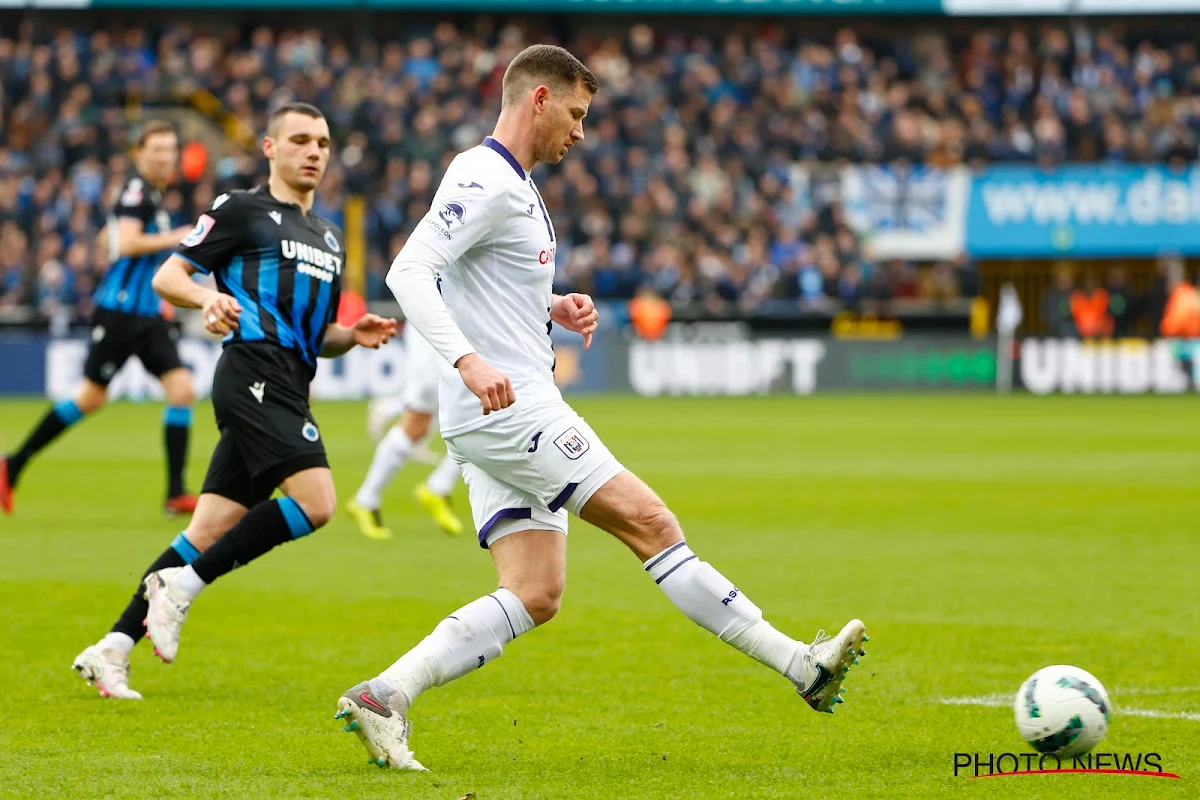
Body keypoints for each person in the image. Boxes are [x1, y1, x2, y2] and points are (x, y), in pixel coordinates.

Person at [332, 45, 868, 771]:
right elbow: (409, 270)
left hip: (494, 410)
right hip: (510, 407)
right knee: (652, 523)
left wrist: (551, 304)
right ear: (540, 99)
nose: (580, 134)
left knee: (535, 590)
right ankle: (801, 667)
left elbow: (479, 279)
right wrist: (468, 359)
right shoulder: (485, 175)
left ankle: (385, 695)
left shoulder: (514, 185)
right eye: (577, 115)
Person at [73, 102, 398, 699]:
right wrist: (208, 300)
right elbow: (168, 277)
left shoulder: (327, 237)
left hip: (289, 380)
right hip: (252, 373)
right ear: (270, 148)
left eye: (322, 143)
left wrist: (351, 336)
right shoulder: (240, 209)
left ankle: (112, 647)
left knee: (206, 529)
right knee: (319, 502)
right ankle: (183, 589)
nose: (314, 152)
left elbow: (316, 337)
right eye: (299, 140)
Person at [1, 121, 199, 516]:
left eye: (170, 149)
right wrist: (177, 237)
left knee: (182, 390)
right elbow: (126, 243)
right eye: (156, 149)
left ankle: (176, 492)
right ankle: (12, 464)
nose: (165, 156)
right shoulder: (136, 191)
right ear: (138, 154)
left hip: (148, 314)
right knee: (91, 397)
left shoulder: (153, 197)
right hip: (122, 312)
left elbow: (112, 241)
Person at [346, 324, 465, 540]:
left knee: (487, 412)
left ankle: (437, 487)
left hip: (466, 325)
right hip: (433, 323)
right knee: (419, 418)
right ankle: (366, 500)